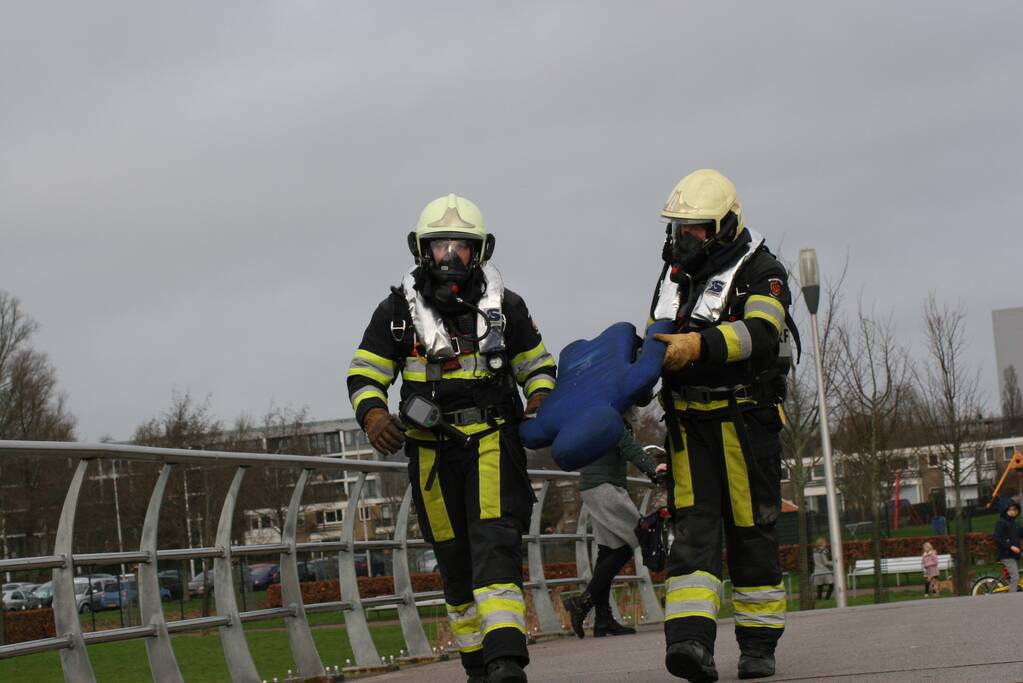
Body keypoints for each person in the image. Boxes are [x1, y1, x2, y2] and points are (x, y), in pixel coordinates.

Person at [347, 194, 557, 683]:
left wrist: (541, 401)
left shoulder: (507, 307)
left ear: (479, 251)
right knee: (454, 562)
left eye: (460, 248)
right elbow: (363, 374)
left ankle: (506, 660)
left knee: (495, 548)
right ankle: (476, 668)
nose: (449, 258)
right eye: (439, 247)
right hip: (430, 455)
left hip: (492, 443)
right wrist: (375, 416)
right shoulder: (396, 312)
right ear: (421, 250)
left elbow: (539, 367)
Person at [648, 169, 794, 682]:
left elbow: (761, 330)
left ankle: (757, 647)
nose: (683, 240)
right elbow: (657, 338)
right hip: (689, 428)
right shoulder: (674, 278)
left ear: (727, 226)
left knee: (753, 534)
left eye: (695, 230)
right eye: (678, 229)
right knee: (693, 534)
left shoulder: (764, 271)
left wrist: (701, 345)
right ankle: (690, 645)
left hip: (745, 424)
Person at [562, 424, 668, 638]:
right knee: (633, 540)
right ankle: (583, 602)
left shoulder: (594, 413)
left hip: (594, 485)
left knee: (609, 550)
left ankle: (603, 619)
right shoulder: (611, 416)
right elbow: (630, 448)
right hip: (604, 486)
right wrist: (654, 471)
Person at [993, 498, 1022, 593]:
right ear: (1004, 510)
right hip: (1006, 555)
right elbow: (997, 538)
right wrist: (1011, 546)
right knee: (1015, 576)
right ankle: (1011, 599)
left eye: (1014, 509)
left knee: (1014, 575)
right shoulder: (1001, 523)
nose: (1013, 512)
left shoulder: (1014, 524)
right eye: (1010, 509)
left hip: (1013, 555)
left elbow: (1020, 533)